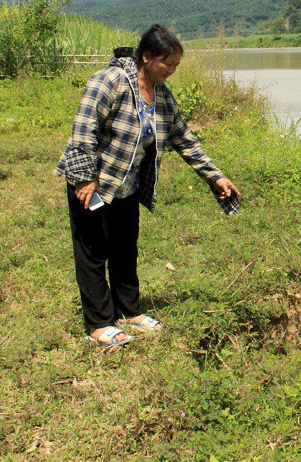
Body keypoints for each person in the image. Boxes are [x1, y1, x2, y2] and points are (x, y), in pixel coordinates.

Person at [54, 24, 240, 346]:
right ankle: (98, 324)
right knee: (93, 252)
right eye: (166, 63)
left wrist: (216, 175)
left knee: (125, 250)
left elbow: (185, 139)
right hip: (94, 185)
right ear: (147, 56)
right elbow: (83, 130)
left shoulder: (162, 97)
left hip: (128, 187)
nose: (171, 70)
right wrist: (85, 179)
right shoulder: (109, 82)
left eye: (176, 66)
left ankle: (128, 313)